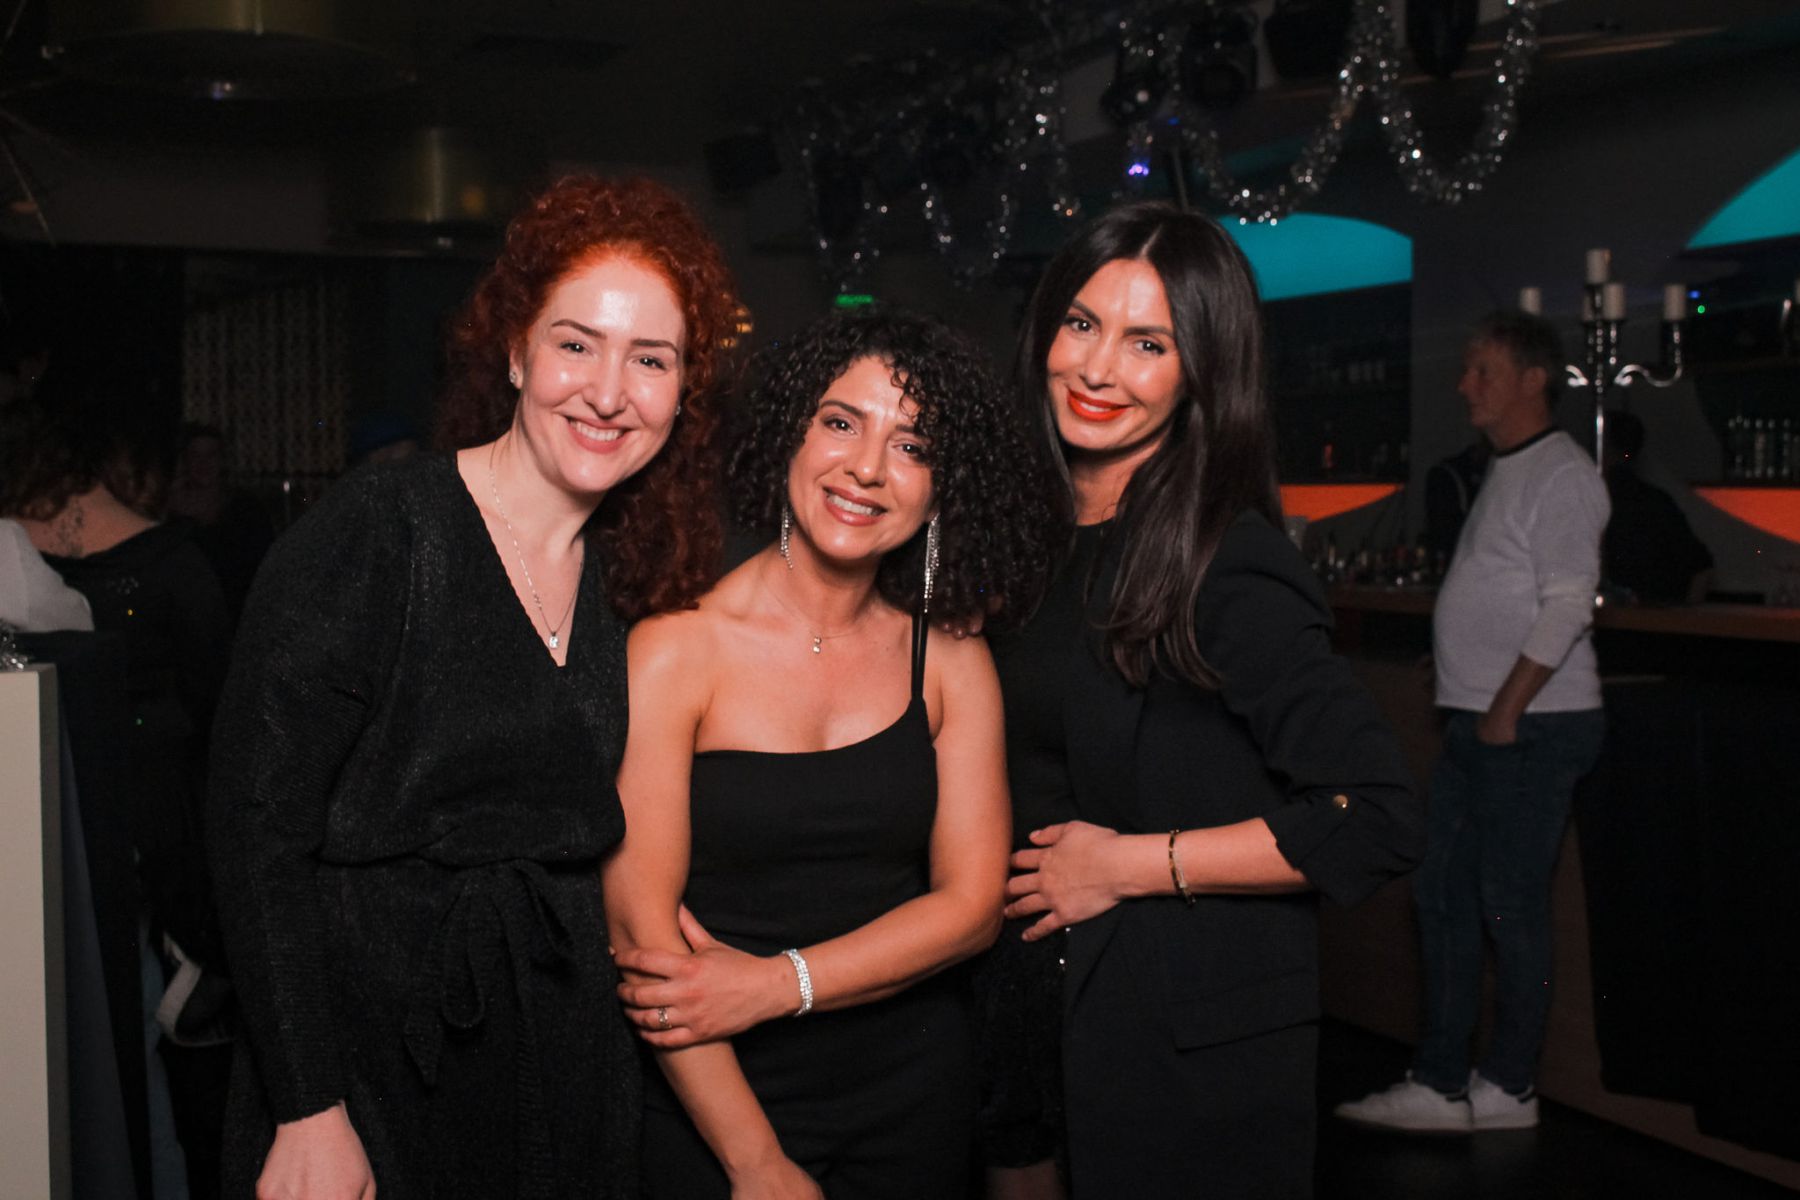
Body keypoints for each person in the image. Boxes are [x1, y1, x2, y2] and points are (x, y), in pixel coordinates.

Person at [208, 174, 739, 1199]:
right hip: (370, 1056)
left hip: (564, 1055)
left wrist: (658, 917)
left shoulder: (633, 577)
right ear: (515, 350)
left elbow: (576, 817)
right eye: (577, 344)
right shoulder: (380, 532)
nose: (609, 392)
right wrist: (307, 1106)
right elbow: (254, 832)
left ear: (683, 393)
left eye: (651, 359)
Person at [981, 200, 1423, 1198]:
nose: (1098, 370)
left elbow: (1375, 814)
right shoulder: (1025, 541)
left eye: (1149, 343)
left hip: (1175, 1040)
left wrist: (1129, 865)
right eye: (1082, 324)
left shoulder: (1228, 564)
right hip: (1030, 1012)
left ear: (1202, 373)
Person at [603, 307, 1056, 1200]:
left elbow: (971, 908)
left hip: (913, 1096)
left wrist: (779, 985)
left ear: (943, 488)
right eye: (841, 423)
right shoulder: (674, 649)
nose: (867, 467)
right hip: (713, 1099)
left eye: (912, 446)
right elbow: (638, 932)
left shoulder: (949, 660)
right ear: (791, 435)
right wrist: (755, 1162)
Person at [1336, 310, 1609, 1134]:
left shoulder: (1562, 474)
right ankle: (1447, 1081)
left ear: (1534, 379)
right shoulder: (1510, 467)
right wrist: (1457, 661)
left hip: (1531, 728)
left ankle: (1507, 1085)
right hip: (1493, 718)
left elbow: (1569, 605)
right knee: (1446, 895)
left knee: (1506, 906)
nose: (1464, 385)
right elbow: (1506, 590)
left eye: (1482, 370)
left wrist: (1504, 707)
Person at [2, 377, 236, 1195]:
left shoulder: (165, 565)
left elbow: (221, 718)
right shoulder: (50, 562)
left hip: (121, 835)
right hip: (86, 827)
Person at [1600, 408, 1712, 605]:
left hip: (1631, 617)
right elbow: (1702, 566)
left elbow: (1700, 564)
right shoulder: (1655, 501)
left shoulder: (1604, 500)